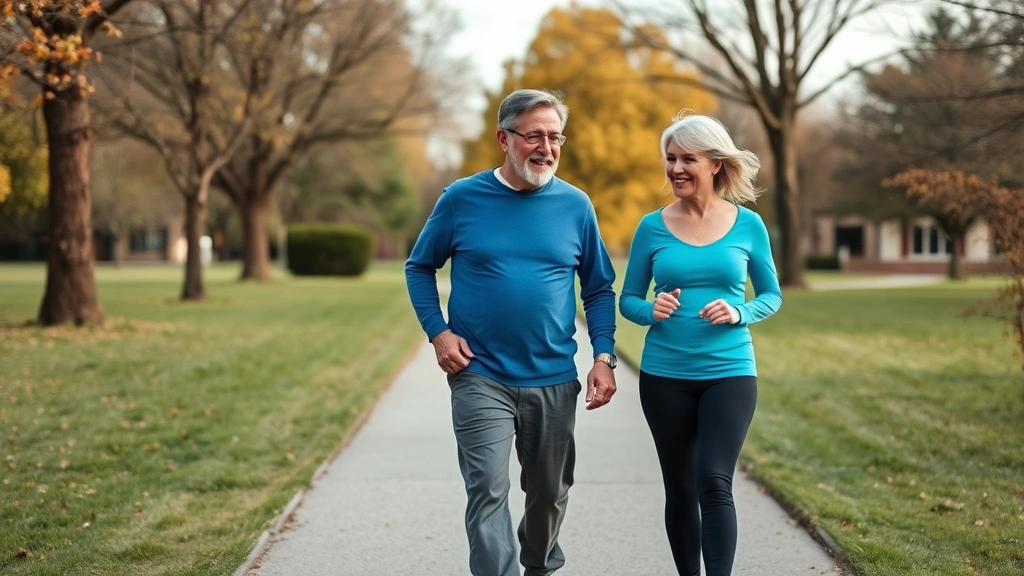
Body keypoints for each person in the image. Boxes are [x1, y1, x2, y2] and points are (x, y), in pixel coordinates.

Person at [405, 88, 618, 576]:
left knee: (548, 493)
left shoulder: (575, 205)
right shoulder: (461, 199)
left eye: (555, 136)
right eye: (534, 136)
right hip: (480, 374)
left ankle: (539, 565)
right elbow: (419, 267)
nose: (546, 147)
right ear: (504, 138)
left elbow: (600, 289)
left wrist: (603, 357)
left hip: (552, 375)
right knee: (488, 490)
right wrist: (438, 332)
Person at [618, 113, 783, 576]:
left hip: (729, 371)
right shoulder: (651, 227)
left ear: (714, 163)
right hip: (664, 375)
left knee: (714, 481)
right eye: (670, 159)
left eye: (688, 158)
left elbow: (771, 294)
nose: (676, 168)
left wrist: (739, 311)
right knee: (680, 488)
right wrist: (651, 310)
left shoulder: (749, 225)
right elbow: (627, 299)